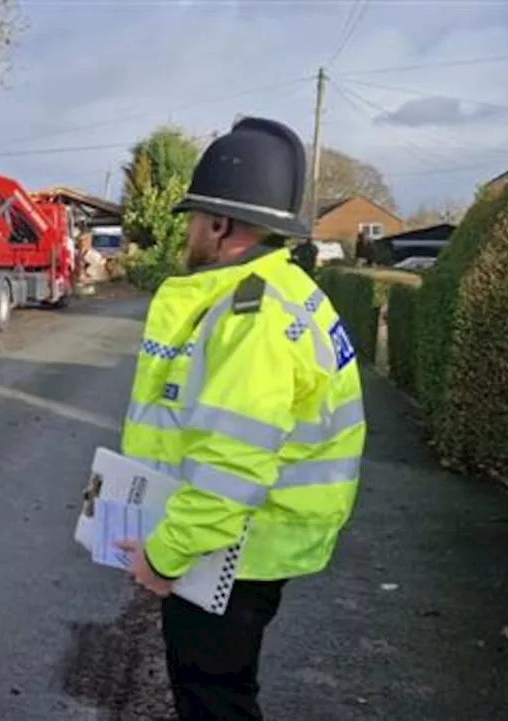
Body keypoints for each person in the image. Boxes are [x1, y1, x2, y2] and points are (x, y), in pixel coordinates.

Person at [113, 116, 366, 720]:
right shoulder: (287, 292)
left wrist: (165, 556)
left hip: (229, 553)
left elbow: (231, 466)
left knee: (214, 702)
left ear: (221, 224)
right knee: (223, 692)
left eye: (194, 218)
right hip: (249, 543)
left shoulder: (248, 320)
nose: (189, 233)